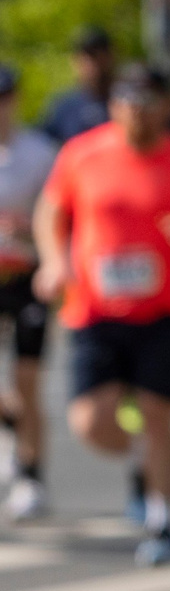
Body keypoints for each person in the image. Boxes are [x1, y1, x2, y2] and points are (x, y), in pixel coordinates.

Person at [30, 65, 170, 564]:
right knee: (90, 424)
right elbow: (52, 211)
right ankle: (143, 463)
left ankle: (162, 520)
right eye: (128, 100)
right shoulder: (84, 154)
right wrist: (55, 261)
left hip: (165, 312)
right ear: (114, 105)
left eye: (148, 101)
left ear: (165, 107)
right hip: (95, 309)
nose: (137, 111)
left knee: (158, 417)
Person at [0, 64, 61, 520]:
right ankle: (12, 434)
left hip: (27, 278)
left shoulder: (40, 153)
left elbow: (58, 217)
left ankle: (30, 474)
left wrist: (29, 233)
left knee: (27, 381)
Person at [37, 26, 114, 145]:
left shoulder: (125, 103)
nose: (92, 63)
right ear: (74, 60)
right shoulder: (64, 107)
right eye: (87, 56)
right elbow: (41, 147)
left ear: (110, 56)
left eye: (99, 55)